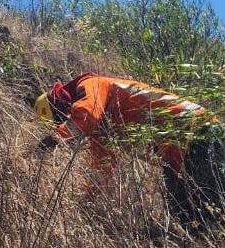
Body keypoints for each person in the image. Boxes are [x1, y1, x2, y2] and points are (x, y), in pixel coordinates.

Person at [34, 73, 225, 227]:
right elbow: (101, 170)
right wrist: (84, 204)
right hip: (182, 152)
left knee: (207, 213)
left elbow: (86, 114)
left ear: (63, 105)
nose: (66, 122)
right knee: (189, 215)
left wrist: (56, 138)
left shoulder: (92, 84)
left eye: (63, 118)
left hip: (200, 130)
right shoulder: (104, 130)